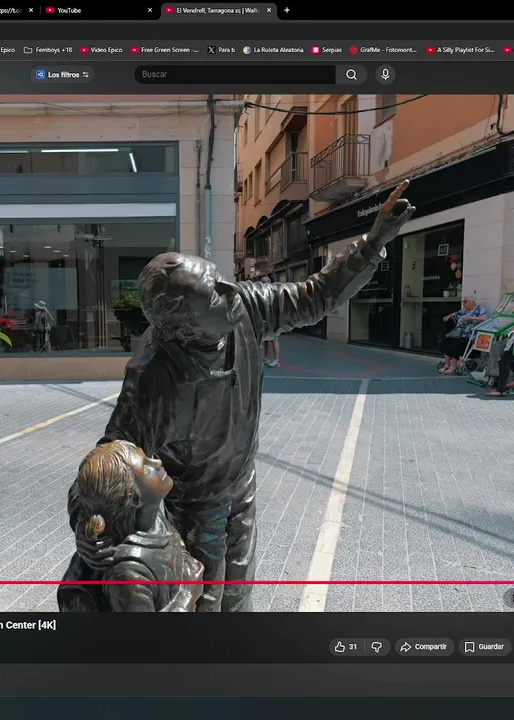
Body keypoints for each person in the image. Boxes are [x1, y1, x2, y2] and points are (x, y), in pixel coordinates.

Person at [93, 180, 416, 611]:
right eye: (213, 293)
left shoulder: (245, 306)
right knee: (204, 600)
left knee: (240, 591)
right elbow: (113, 462)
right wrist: (99, 533)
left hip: (241, 484)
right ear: (185, 327)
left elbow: (316, 295)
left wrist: (373, 242)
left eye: (220, 280)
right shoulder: (153, 377)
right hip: (191, 506)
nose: (231, 291)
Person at [57, 440, 204, 612]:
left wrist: (185, 564)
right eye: (146, 468)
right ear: (132, 497)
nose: (157, 461)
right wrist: (187, 595)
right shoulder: (129, 575)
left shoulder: (153, 519)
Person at [439, 296, 488, 374]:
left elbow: (485, 318)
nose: (463, 303)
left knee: (455, 345)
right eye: (463, 301)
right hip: (458, 334)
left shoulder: (479, 308)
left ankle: (453, 367)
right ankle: (447, 365)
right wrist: (448, 316)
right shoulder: (464, 311)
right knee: (445, 342)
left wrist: (472, 318)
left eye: (465, 301)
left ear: (472, 302)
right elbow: (456, 313)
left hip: (469, 336)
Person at [260, 274, 282, 368]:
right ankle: (266, 357)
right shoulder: (263, 292)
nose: (262, 284)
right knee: (266, 338)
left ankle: (277, 360)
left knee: (274, 339)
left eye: (264, 282)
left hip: (273, 319)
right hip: (266, 319)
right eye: (261, 282)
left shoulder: (274, 292)